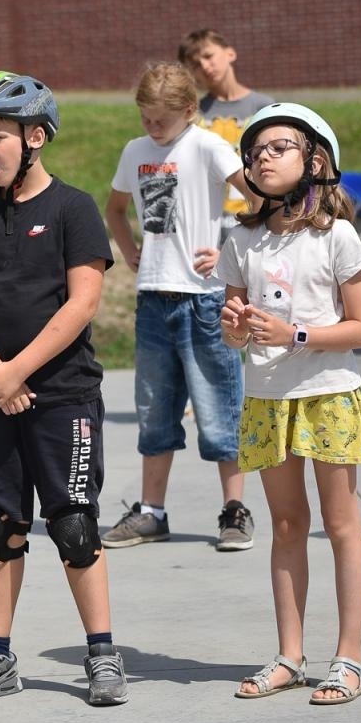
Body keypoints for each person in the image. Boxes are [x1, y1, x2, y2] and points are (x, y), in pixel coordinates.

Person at [0, 71, 128, 707]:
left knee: (74, 526)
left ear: (37, 136)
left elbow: (82, 304)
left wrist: (16, 371)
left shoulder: (73, 209)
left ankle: (101, 654)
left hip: (63, 395)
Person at [219, 103, 361, 706]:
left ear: (315, 160)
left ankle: (351, 660)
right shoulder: (243, 239)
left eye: (278, 146)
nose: (263, 156)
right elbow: (232, 325)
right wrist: (234, 325)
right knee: (287, 526)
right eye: (255, 150)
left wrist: (297, 336)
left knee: (342, 525)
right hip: (266, 399)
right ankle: (290, 655)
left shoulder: (336, 236)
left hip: (328, 395)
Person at [103, 62, 254, 552]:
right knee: (154, 409)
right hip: (153, 297)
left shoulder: (207, 145)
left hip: (204, 300)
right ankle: (151, 511)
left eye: (160, 121)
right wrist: (127, 249)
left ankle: (234, 510)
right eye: (145, 118)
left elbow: (256, 201)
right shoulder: (135, 151)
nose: (151, 129)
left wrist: (229, 249)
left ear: (190, 111)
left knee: (218, 408)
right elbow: (116, 208)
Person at [179, 28, 274, 222]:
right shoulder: (192, 115)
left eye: (208, 56)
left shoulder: (264, 107)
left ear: (230, 53)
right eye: (196, 65)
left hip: (258, 214)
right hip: (209, 218)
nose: (205, 66)